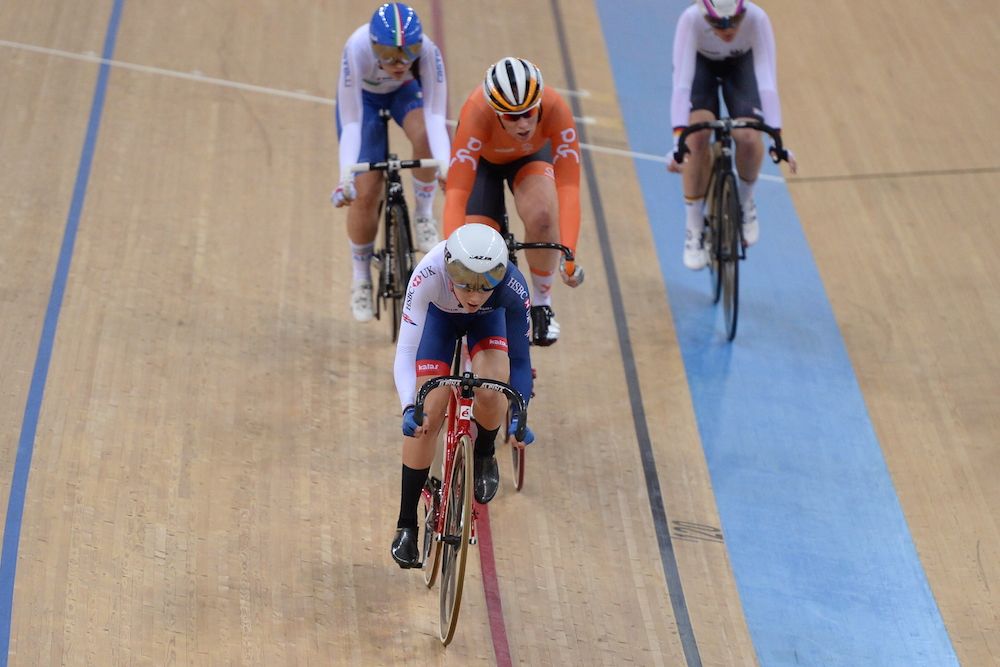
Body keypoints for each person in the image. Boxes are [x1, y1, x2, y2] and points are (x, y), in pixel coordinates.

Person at [390, 223, 535, 568]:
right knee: (428, 412)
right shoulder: (428, 273)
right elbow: (406, 351)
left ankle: (484, 452)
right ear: (449, 267)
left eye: (484, 287)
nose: (473, 296)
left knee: (493, 383)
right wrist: (410, 405)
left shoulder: (512, 288)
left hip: (488, 324)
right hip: (439, 324)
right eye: (465, 283)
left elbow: (519, 359)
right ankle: (406, 523)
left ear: (499, 277)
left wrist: (518, 413)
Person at [442, 57, 585, 347]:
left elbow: (569, 187)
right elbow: (456, 194)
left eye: (529, 113)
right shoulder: (476, 113)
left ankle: (542, 303)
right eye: (511, 116)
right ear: (496, 112)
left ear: (539, 104)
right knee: (475, 243)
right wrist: (452, 259)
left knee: (543, 216)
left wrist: (569, 253)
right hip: (482, 165)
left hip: (530, 158)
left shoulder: (556, 108)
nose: (522, 123)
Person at [333, 2, 450, 321]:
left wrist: (445, 164)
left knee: (424, 137)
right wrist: (347, 177)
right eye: (388, 54)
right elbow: (352, 122)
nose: (399, 63)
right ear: (373, 46)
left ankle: (423, 215)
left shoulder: (427, 51)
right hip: (363, 103)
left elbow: (436, 115)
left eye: (408, 52)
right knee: (365, 192)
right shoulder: (356, 47)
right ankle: (360, 278)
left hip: (404, 94)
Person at [668, 0, 797, 270]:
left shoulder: (758, 19)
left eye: (734, 21)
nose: (727, 30)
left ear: (743, 12)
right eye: (717, 23)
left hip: (741, 65)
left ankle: (745, 201)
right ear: (705, 14)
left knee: (749, 136)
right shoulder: (690, 20)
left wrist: (777, 136)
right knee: (697, 136)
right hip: (701, 67)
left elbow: (767, 83)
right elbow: (682, 85)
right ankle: (693, 227)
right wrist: (678, 141)